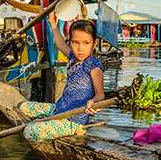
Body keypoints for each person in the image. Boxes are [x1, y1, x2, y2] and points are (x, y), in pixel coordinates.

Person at [19, 13, 105, 142]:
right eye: (75, 43)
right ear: (70, 42)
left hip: (73, 120)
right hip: (59, 108)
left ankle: (73, 129)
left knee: (30, 131)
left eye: (86, 43)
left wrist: (93, 102)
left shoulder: (93, 66)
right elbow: (60, 44)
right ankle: (50, 120)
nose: (80, 48)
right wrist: (53, 24)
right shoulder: (72, 57)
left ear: (94, 43)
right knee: (23, 107)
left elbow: (100, 95)